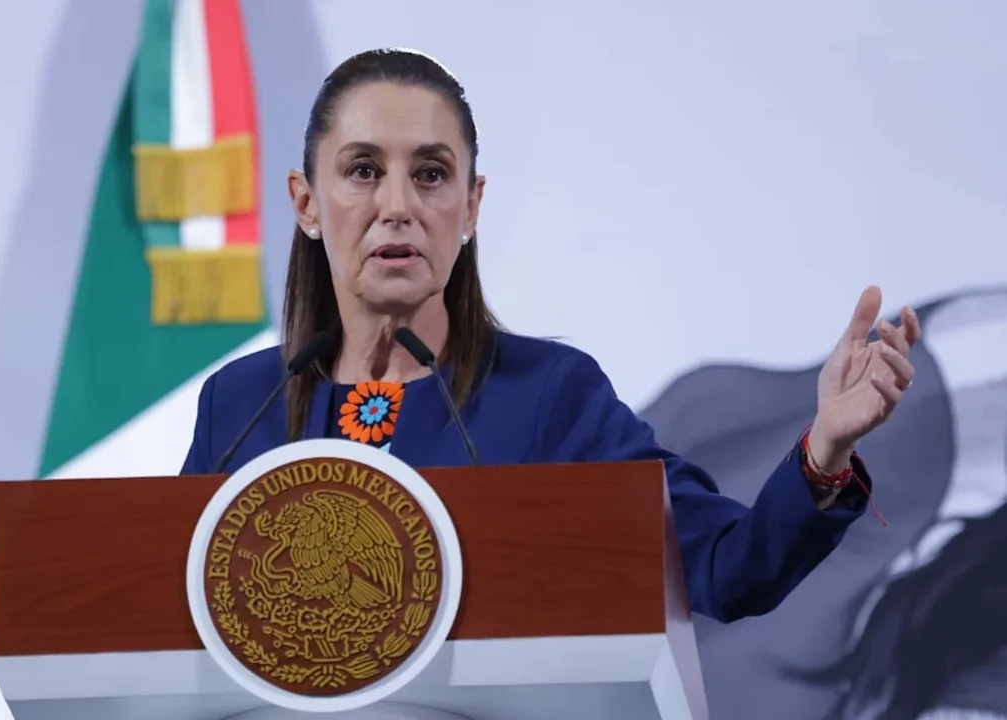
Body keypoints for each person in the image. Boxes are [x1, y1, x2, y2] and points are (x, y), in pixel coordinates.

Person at [179, 47, 922, 624]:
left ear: (472, 206)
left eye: (431, 175)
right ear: (306, 203)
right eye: (364, 170)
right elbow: (162, 607)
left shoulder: (547, 396)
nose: (397, 205)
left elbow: (727, 570)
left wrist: (824, 452)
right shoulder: (238, 405)